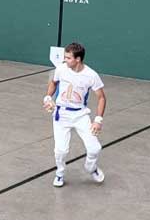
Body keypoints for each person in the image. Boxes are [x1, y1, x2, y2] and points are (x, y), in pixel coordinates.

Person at [44, 42, 107, 187]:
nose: (65, 60)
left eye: (68, 58)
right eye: (65, 57)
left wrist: (98, 120)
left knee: (95, 148)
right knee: (61, 151)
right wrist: (48, 98)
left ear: (78, 59)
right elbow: (53, 83)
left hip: (81, 116)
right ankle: (59, 173)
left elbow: (102, 97)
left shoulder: (91, 75)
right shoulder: (61, 69)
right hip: (61, 115)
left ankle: (91, 167)